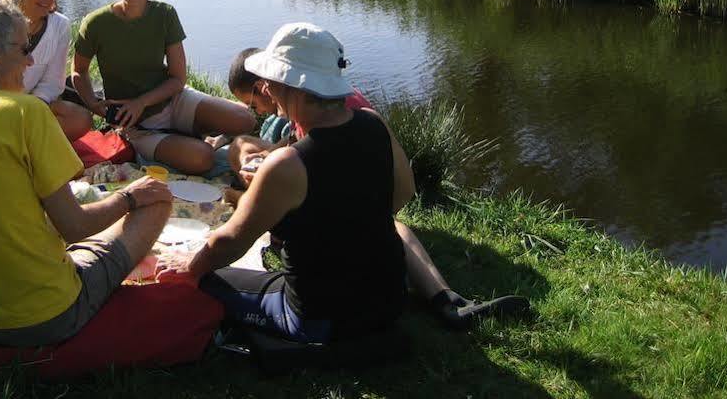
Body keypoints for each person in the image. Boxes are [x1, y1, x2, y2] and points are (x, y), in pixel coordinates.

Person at [160, 24, 527, 341]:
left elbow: (230, 241)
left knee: (208, 283)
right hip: (389, 304)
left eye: (274, 82)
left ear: (298, 88)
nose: (268, 90)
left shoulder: (287, 165)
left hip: (319, 320)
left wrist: (188, 268)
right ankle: (435, 300)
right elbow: (404, 193)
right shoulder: (375, 124)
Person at [0, 0, 172, 346]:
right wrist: (130, 197)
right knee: (155, 201)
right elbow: (75, 227)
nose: (29, 60)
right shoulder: (25, 112)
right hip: (41, 316)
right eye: (23, 48)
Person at [72, 0, 255, 174]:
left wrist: (142, 102)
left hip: (174, 100)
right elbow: (78, 70)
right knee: (203, 158)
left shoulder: (165, 14)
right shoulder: (96, 23)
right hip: (137, 126)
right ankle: (194, 138)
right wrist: (93, 104)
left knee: (245, 119)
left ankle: (197, 131)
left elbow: (178, 78)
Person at [0, 0, 93, 140]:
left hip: (33, 105)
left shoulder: (60, 26)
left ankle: (25, 143)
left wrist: (34, 107)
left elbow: (53, 82)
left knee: (81, 119)